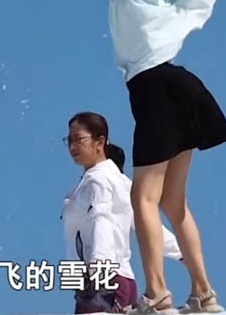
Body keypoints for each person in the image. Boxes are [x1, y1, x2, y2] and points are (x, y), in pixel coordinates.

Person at [108, 0, 226, 314]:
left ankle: (157, 294)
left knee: (143, 197)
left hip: (155, 89)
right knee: (173, 204)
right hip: (178, 87)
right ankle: (204, 294)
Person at [61, 112, 183, 314]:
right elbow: (146, 224)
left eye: (79, 139)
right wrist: (181, 252)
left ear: (100, 142)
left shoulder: (98, 180)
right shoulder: (115, 180)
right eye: (69, 140)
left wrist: (98, 268)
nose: (73, 146)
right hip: (109, 280)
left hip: (103, 280)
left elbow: (102, 220)